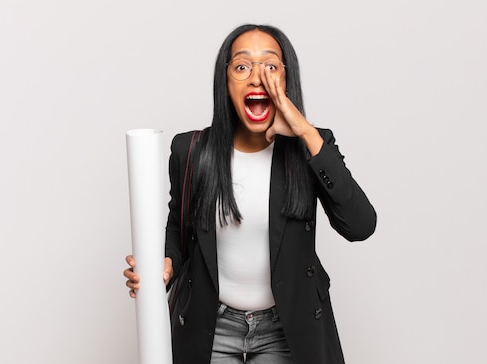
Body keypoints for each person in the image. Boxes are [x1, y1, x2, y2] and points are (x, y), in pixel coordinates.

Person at [124, 24, 376, 364]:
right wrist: (164, 265)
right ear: (225, 81)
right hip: (211, 327)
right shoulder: (192, 151)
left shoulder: (312, 148)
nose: (257, 78)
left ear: (287, 80)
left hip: (285, 329)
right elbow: (178, 231)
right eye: (242, 66)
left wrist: (304, 130)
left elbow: (360, 225)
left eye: (270, 66)